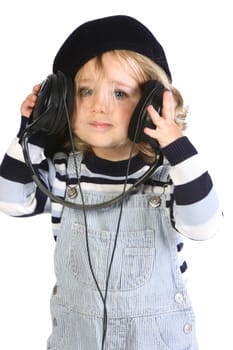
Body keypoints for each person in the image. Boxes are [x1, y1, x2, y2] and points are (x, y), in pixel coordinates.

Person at [0, 15, 222, 350]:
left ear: (151, 105)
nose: (98, 106)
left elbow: (205, 225)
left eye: (120, 93)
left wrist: (177, 148)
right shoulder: (63, 173)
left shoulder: (167, 177)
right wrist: (33, 133)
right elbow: (10, 200)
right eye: (84, 91)